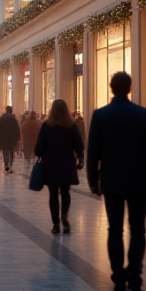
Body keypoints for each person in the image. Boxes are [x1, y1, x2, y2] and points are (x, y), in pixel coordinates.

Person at [87, 72, 146, 291]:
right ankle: (134, 280)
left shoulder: (100, 115)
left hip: (112, 180)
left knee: (114, 230)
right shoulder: (143, 114)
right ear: (130, 88)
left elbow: (93, 151)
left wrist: (92, 180)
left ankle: (118, 281)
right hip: (138, 181)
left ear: (111, 88)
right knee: (138, 230)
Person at [34, 99, 84, 235]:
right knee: (65, 192)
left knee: (53, 194)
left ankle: (55, 224)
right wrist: (79, 157)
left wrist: (41, 152)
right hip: (67, 163)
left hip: (50, 164)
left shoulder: (46, 125)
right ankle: (64, 215)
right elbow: (79, 146)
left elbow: (39, 148)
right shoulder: (71, 126)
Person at [0, 106, 21, 173]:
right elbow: (17, 129)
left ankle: (6, 165)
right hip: (12, 138)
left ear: (6, 111)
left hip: (3, 138)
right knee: (12, 151)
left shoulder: (2, 118)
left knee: (5, 152)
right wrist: (18, 136)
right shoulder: (14, 119)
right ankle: (10, 164)